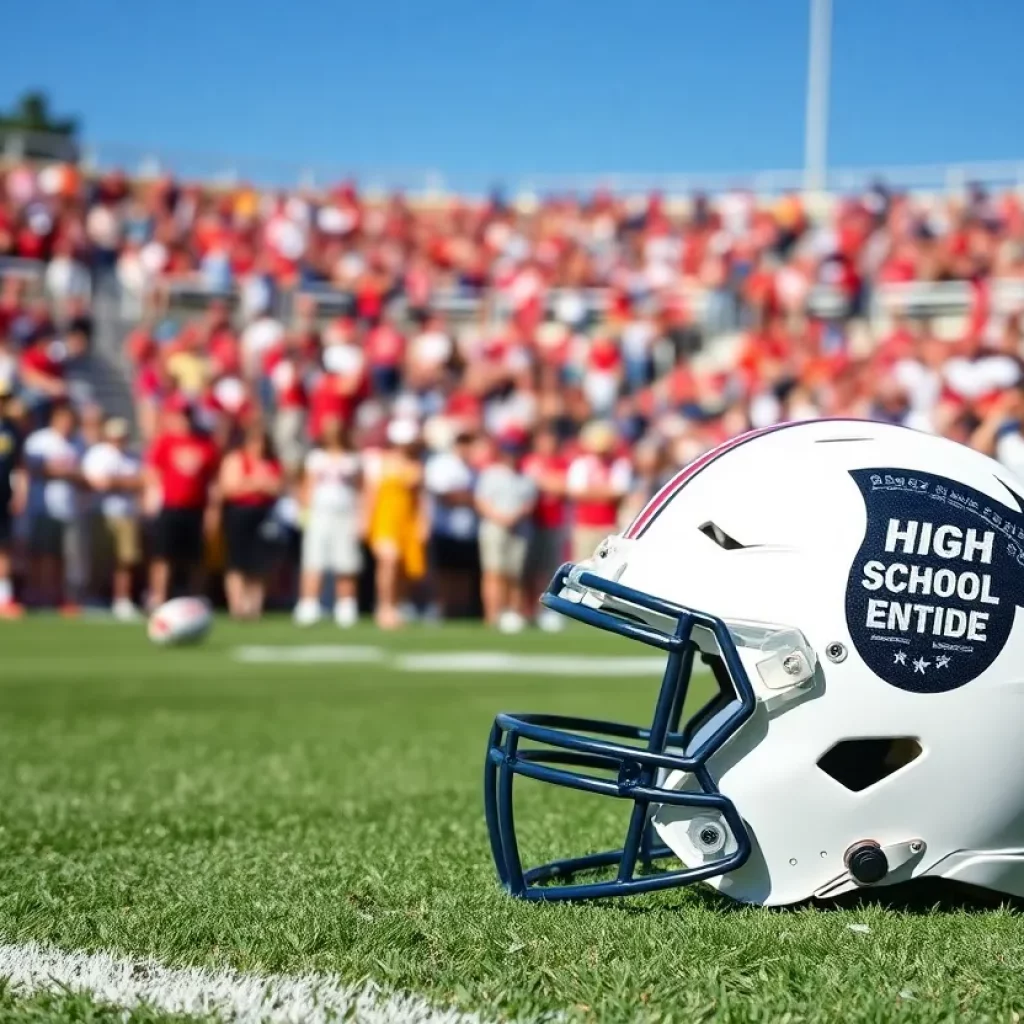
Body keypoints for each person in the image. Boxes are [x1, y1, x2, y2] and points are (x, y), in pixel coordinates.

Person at [145, 396, 220, 609]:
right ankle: (158, 596)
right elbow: (153, 473)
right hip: (170, 506)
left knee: (195, 558)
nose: (184, 419)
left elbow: (213, 481)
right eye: (180, 414)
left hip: (196, 508)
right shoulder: (165, 442)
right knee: (163, 555)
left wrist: (212, 511)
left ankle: (194, 598)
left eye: (187, 414)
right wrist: (151, 500)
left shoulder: (206, 443)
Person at [294, 415, 363, 628]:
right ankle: (309, 604)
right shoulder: (316, 458)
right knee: (314, 561)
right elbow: (306, 486)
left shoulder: (352, 459)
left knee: (346, 562)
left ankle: (346, 605)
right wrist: (304, 512)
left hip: (345, 514)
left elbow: (362, 489)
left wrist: (362, 517)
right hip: (320, 514)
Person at [364, 418, 426, 629]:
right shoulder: (380, 462)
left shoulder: (417, 464)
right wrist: (365, 521)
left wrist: (422, 523)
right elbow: (370, 494)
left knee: (402, 568)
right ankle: (384, 607)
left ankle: (396, 606)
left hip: (406, 521)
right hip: (385, 519)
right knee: (388, 562)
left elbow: (420, 500)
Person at [218, 422, 283, 620]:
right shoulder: (236, 460)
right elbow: (229, 487)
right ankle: (237, 604)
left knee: (259, 563)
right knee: (237, 561)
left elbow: (278, 487)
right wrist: (257, 484)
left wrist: (253, 484)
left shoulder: (272, 462)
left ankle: (255, 606)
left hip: (265, 515)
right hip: (239, 514)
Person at [475, 429, 537, 632]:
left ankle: (512, 613)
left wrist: (516, 516)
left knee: (514, 574)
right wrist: (500, 517)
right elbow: (481, 501)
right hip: (495, 527)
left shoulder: (526, 477)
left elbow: (530, 504)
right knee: (494, 572)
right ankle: (492, 614)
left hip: (519, 528)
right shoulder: (491, 474)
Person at [23, 402, 82, 610]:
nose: (67, 424)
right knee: (41, 553)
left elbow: (81, 472)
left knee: (64, 555)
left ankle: (59, 596)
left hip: (69, 508)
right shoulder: (39, 441)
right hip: (43, 506)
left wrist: (67, 472)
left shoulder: (77, 442)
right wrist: (59, 471)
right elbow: (29, 468)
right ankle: (39, 593)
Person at [424, 429, 479, 619]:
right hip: (445, 528)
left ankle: (459, 612)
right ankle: (442, 609)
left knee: (463, 574)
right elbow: (444, 495)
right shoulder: (442, 465)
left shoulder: (473, 468)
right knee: (444, 573)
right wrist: (472, 499)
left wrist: (468, 498)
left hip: (468, 529)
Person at [565, 420, 633, 562]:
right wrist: (604, 493)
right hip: (585, 527)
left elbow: (618, 493)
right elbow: (576, 493)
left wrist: (591, 493)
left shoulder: (619, 464)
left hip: (609, 526)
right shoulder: (581, 464)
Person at [0, 384, 24, 618]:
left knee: (4, 547)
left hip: (3, 495)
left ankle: (4, 597)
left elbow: (20, 466)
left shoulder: (11, 430)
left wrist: (20, 493)